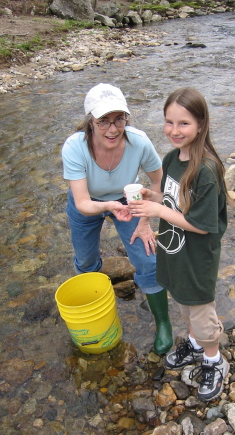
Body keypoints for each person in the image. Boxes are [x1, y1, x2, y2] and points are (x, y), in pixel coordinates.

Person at [128, 87, 230, 401]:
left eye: (183, 123)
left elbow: (201, 225)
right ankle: (196, 345)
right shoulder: (173, 158)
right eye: (169, 122)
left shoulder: (206, 171)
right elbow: (174, 201)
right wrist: (153, 197)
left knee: (200, 311)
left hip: (196, 257)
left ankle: (214, 360)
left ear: (201, 125)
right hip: (176, 252)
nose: (174, 130)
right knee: (183, 302)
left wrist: (158, 211)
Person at [61, 83, 173, 355]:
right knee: (86, 262)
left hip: (129, 199)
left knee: (147, 257)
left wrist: (145, 220)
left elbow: (160, 186)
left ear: (126, 118)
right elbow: (83, 202)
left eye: (119, 119)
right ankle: (100, 308)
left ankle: (164, 324)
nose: (113, 129)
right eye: (103, 122)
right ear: (91, 121)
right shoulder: (75, 147)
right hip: (88, 202)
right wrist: (108, 206)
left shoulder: (139, 142)